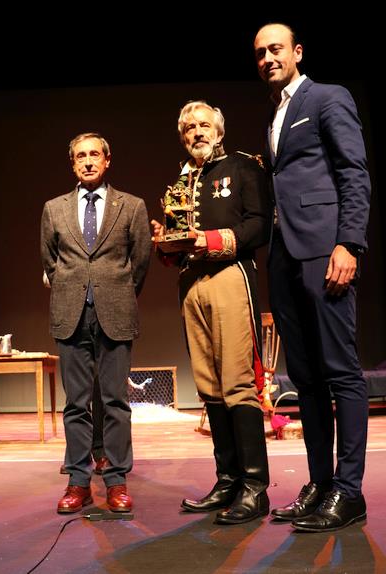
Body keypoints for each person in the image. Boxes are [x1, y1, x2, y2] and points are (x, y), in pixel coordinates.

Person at [254, 23, 371, 532]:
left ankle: (350, 492)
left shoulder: (327, 97)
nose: (267, 58)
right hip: (285, 255)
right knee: (303, 378)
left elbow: (353, 170)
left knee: (341, 372)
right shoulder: (277, 113)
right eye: (259, 53)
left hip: (325, 250)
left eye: (275, 49)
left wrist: (350, 242)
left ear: (297, 52)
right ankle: (321, 483)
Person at [152, 101, 271, 524]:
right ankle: (227, 481)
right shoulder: (181, 180)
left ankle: (255, 488)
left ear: (219, 132)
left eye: (205, 126)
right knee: (209, 385)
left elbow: (261, 224)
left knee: (238, 382)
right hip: (191, 283)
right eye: (190, 128)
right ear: (183, 136)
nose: (197, 133)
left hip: (229, 275)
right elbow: (180, 240)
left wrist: (211, 240)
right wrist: (165, 243)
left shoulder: (243, 167)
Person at [41, 132, 150, 513]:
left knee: (116, 402)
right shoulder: (54, 208)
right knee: (75, 404)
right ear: (72, 163)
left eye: (94, 155)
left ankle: (117, 481)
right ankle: (78, 481)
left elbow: (140, 263)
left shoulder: (132, 206)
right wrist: (74, 289)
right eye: (80, 156)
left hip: (116, 313)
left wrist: (115, 292)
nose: (88, 161)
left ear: (107, 160)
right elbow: (50, 263)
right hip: (71, 315)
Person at [43, 272, 108, 476]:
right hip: (73, 314)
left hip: (106, 311)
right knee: (76, 393)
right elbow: (48, 275)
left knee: (102, 388)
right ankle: (77, 454)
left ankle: (101, 451)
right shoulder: (68, 240)